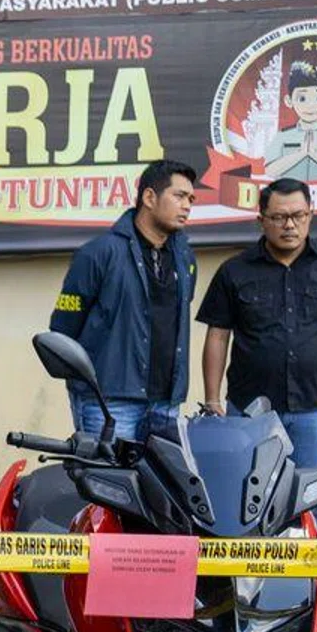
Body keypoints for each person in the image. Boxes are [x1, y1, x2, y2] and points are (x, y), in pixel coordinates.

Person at [196, 178, 317, 532]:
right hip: (249, 412)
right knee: (245, 500)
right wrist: (212, 399)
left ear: (311, 216)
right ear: (261, 220)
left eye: (298, 215)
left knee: (313, 500)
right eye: (279, 217)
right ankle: (252, 587)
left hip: (314, 409)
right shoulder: (235, 270)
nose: (289, 225)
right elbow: (217, 335)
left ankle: (311, 584)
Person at [49, 159, 199, 442]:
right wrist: (87, 386)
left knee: (160, 487)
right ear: (149, 197)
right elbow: (63, 330)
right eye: (179, 196)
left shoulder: (186, 259)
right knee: (107, 484)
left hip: (166, 403)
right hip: (108, 403)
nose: (187, 206)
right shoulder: (97, 254)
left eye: (191, 199)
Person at [264, 57, 317, 182]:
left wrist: (315, 153)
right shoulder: (283, 135)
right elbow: (270, 170)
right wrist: (300, 154)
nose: (310, 105)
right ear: (289, 101)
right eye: (302, 98)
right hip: (291, 196)